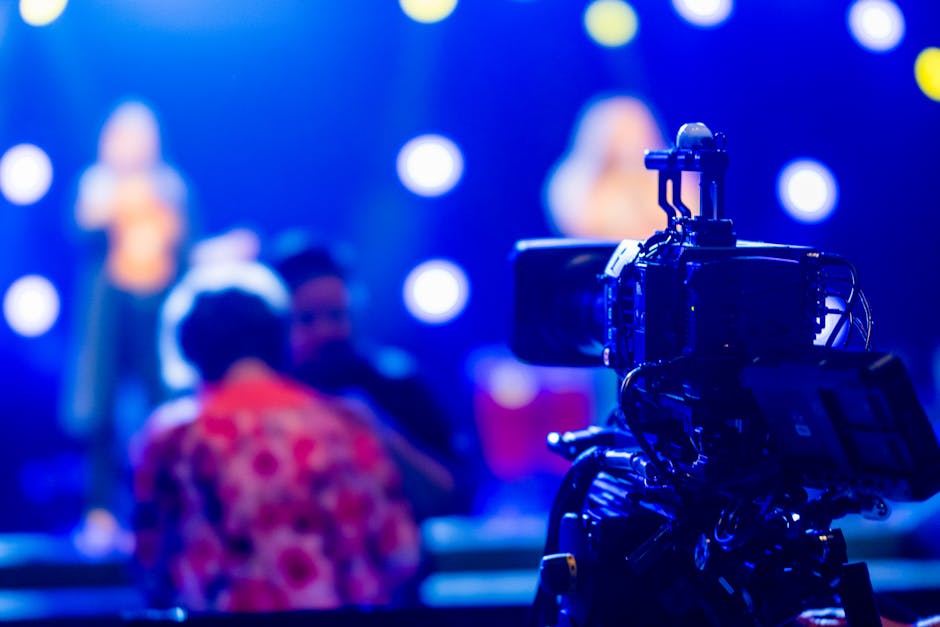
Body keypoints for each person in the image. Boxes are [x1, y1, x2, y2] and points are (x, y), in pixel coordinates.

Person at [131, 263, 420, 611]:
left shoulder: (172, 437)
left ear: (188, 347)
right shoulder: (345, 424)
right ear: (279, 337)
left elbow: (149, 564)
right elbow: (399, 552)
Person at [274, 246, 464, 521]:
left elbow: (453, 499)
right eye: (307, 320)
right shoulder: (269, 396)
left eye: (336, 315)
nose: (325, 331)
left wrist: (376, 428)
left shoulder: (397, 383)